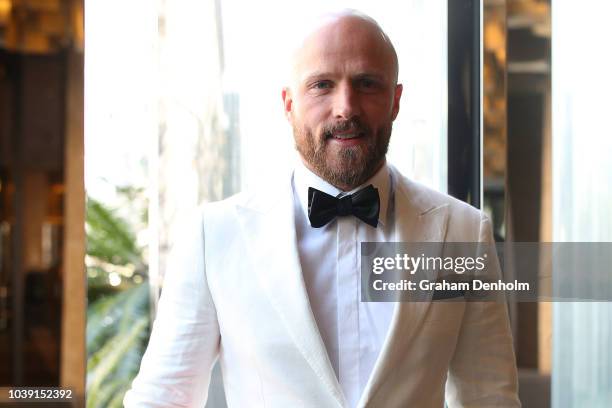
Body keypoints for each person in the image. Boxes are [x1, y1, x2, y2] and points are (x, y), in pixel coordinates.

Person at [124, 9, 519, 408]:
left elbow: (490, 397)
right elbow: (162, 398)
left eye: (367, 84)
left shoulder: (464, 232)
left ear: (395, 100)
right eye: (322, 85)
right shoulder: (215, 235)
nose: (346, 108)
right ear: (288, 103)